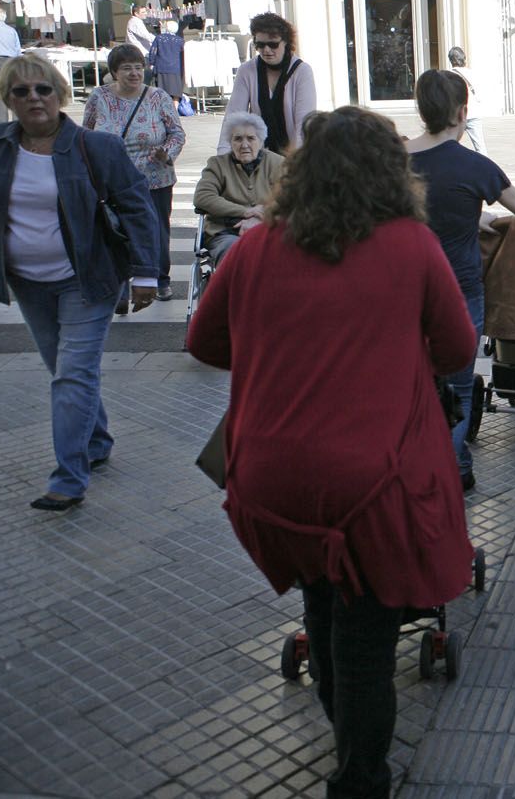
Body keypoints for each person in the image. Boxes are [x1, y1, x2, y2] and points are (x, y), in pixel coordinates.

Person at [186, 106, 477, 799]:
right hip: (373, 481)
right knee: (367, 644)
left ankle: (346, 739)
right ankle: (360, 779)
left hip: (271, 477)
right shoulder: (410, 245)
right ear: (391, 173)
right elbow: (457, 348)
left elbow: (203, 341)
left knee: (321, 602)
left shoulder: (256, 247)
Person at [0, 54, 161, 511]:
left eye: (43, 89)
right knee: (63, 369)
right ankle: (95, 440)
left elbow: (137, 207)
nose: (34, 98)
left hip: (87, 279)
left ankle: (69, 478)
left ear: (60, 94)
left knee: (72, 375)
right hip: (27, 281)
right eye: (22, 91)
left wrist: (145, 272)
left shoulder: (95, 147)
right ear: (8, 99)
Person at [405, 69, 515, 489]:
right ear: (461, 113)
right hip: (458, 292)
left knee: (412, 384)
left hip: (404, 292)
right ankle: (450, 468)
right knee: (459, 385)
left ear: (422, 111)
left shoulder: (394, 160)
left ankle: (424, 464)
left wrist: (473, 216)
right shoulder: (475, 166)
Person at [83, 43, 185, 301]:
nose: (134, 73)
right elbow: (85, 135)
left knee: (155, 230)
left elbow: (177, 133)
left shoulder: (158, 97)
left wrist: (166, 153)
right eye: (127, 68)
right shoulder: (99, 97)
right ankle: (119, 283)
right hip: (112, 180)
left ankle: (160, 279)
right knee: (114, 230)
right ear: (114, 72)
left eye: (139, 68)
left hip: (154, 178)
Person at [193, 113, 285, 268]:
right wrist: (246, 212)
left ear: (261, 141)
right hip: (225, 231)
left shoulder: (278, 163)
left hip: (269, 228)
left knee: (283, 253)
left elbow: (292, 198)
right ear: (230, 142)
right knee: (234, 253)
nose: (244, 145)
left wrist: (262, 217)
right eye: (238, 139)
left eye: (251, 138)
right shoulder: (217, 164)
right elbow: (203, 196)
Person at [221, 13, 317, 155]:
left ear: (286, 42)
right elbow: (233, 118)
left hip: (292, 156)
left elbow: (304, 124)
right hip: (258, 157)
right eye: (260, 45)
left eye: (273, 44)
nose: (266, 50)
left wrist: (298, 161)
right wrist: (223, 159)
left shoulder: (302, 71)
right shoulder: (247, 71)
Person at [447, 46, 486, 152]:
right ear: (463, 58)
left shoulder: (449, 75)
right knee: (480, 147)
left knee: (450, 145)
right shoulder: (472, 73)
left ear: (451, 60)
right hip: (474, 113)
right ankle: (484, 162)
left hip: (457, 115)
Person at [146, 20, 185, 106]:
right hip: (176, 69)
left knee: (162, 92)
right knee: (176, 93)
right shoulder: (180, 40)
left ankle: (163, 109)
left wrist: (151, 63)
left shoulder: (159, 38)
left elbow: (153, 51)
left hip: (162, 68)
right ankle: (175, 110)